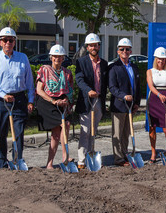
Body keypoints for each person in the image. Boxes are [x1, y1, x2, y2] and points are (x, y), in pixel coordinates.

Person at [0, 27, 35, 169]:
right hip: (1, 101)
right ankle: (2, 163)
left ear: (14, 42)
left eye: (11, 40)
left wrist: (30, 100)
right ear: (0, 42)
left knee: (18, 134)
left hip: (19, 100)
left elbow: (29, 81)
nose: (8, 42)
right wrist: (3, 95)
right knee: (1, 134)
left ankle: (17, 161)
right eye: (5, 40)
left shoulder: (22, 58)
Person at [35, 45, 74, 169]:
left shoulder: (67, 73)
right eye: (55, 56)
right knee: (65, 125)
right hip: (47, 103)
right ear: (51, 57)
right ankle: (64, 156)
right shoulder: (44, 70)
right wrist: (53, 101)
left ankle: (50, 163)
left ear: (63, 58)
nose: (57, 59)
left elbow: (70, 91)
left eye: (60, 57)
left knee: (56, 134)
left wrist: (65, 100)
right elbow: (39, 90)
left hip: (61, 103)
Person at [75, 33, 108, 169]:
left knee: (93, 130)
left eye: (96, 45)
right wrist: (88, 90)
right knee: (85, 130)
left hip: (99, 101)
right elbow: (79, 79)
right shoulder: (81, 62)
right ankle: (82, 160)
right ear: (87, 47)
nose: (94, 47)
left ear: (99, 46)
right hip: (86, 101)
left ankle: (91, 154)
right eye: (91, 45)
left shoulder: (104, 63)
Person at [109, 38, 141, 166]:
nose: (125, 51)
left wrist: (137, 102)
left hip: (131, 106)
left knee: (126, 132)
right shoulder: (114, 67)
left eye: (127, 49)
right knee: (117, 133)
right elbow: (112, 87)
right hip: (119, 105)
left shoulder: (134, 67)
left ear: (130, 51)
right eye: (122, 49)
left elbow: (137, 86)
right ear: (118, 51)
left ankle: (125, 154)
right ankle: (118, 158)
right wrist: (123, 96)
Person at [146, 47, 166, 163]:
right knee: (152, 127)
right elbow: (151, 86)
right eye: (159, 59)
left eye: (163, 59)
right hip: (154, 99)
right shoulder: (150, 71)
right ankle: (153, 153)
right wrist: (159, 95)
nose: (161, 61)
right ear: (155, 59)